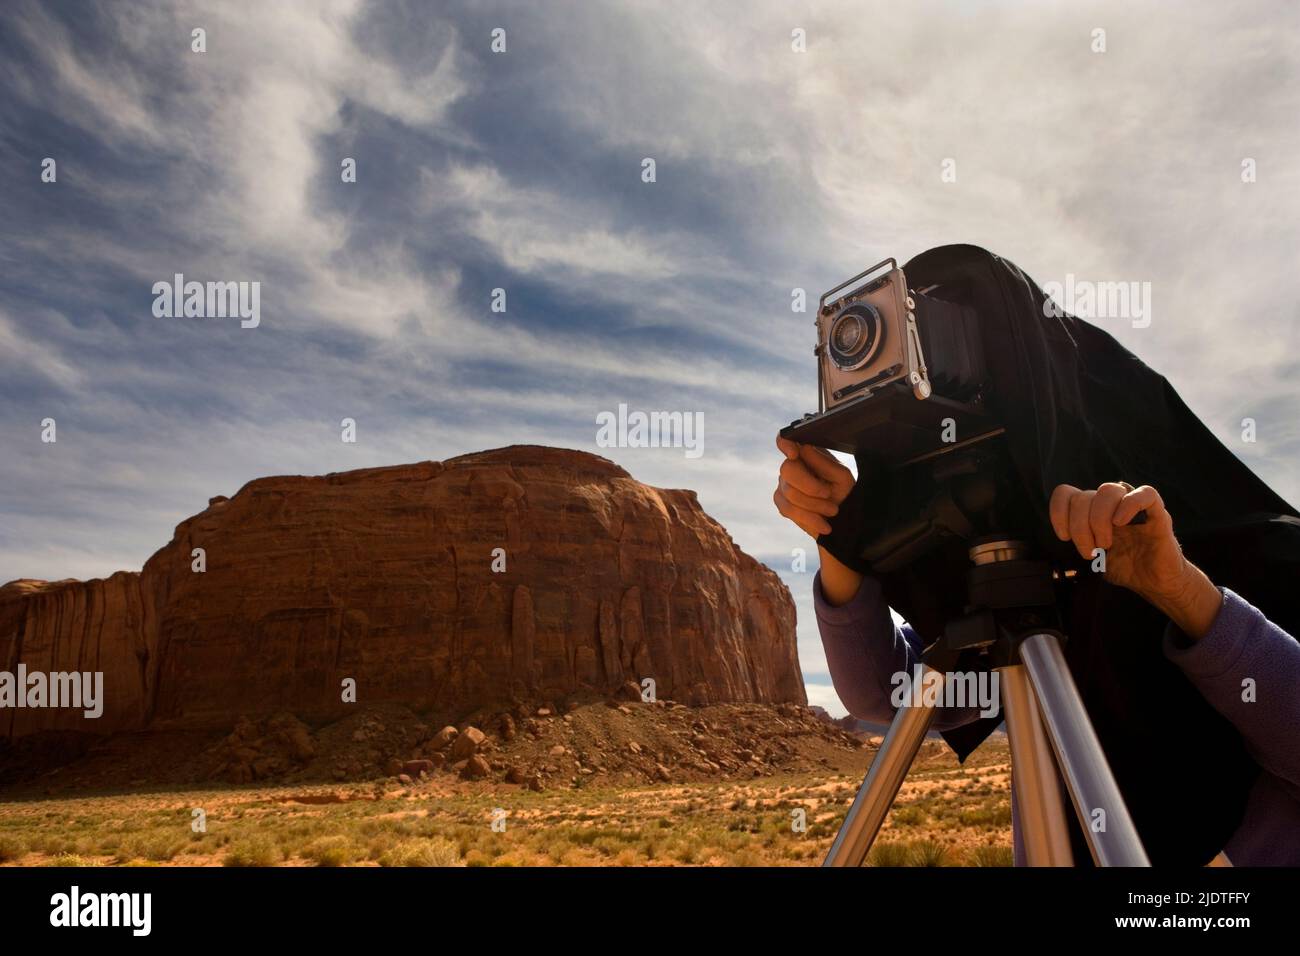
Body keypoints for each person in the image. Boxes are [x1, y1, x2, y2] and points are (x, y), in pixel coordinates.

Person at [774, 433, 1300, 866]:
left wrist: (1176, 588)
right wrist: (840, 535)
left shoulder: (1258, 553)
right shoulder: (1056, 608)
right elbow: (884, 692)